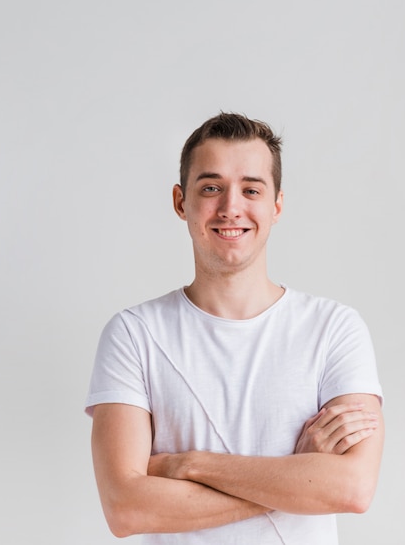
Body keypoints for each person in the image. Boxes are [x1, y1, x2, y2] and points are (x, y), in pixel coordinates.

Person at [85, 112, 384, 544]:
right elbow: (126, 508)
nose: (230, 208)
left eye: (251, 189)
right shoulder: (133, 335)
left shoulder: (335, 329)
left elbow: (351, 487)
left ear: (276, 204)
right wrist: (296, 480)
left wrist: (186, 466)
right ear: (180, 201)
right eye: (211, 188)